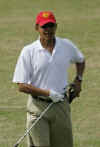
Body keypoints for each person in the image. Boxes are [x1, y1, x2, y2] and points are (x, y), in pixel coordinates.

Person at [13, 11, 85, 147]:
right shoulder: (28, 51)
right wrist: (48, 93)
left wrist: (78, 80)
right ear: (37, 28)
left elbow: (80, 60)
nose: (48, 30)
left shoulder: (66, 45)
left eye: (51, 26)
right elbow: (21, 85)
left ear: (56, 26)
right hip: (37, 108)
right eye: (44, 26)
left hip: (61, 106)